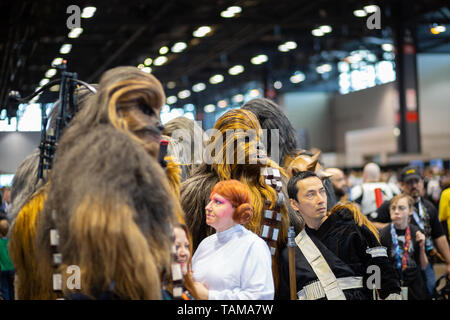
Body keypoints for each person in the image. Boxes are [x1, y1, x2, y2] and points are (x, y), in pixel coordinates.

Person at [286, 171, 401, 300]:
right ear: (294, 204)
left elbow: (380, 271)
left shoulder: (353, 228)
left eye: (322, 191)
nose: (320, 200)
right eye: (311, 194)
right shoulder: (292, 252)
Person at [191, 180, 274, 300]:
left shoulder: (254, 246)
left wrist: (209, 296)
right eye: (210, 201)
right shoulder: (206, 244)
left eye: (218, 202)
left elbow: (260, 297)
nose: (208, 207)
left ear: (238, 210)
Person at [372, 166, 450, 294]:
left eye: (416, 181)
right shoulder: (392, 205)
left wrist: (449, 262)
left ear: (422, 183)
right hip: (397, 262)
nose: (414, 185)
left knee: (429, 292)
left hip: (424, 260)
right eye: (409, 182)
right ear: (402, 185)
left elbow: (439, 236)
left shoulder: (428, 207)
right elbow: (370, 223)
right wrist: (391, 225)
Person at [379, 194, 430, 300]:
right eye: (393, 208)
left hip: (414, 285)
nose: (396, 211)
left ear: (410, 210)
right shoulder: (383, 234)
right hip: (392, 287)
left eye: (401, 208)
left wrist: (421, 247)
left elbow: (424, 265)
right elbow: (381, 267)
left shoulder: (416, 231)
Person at [0, 220, 15, 300]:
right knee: (12, 288)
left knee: (4, 289)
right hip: (12, 268)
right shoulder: (12, 242)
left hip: (2, 269)